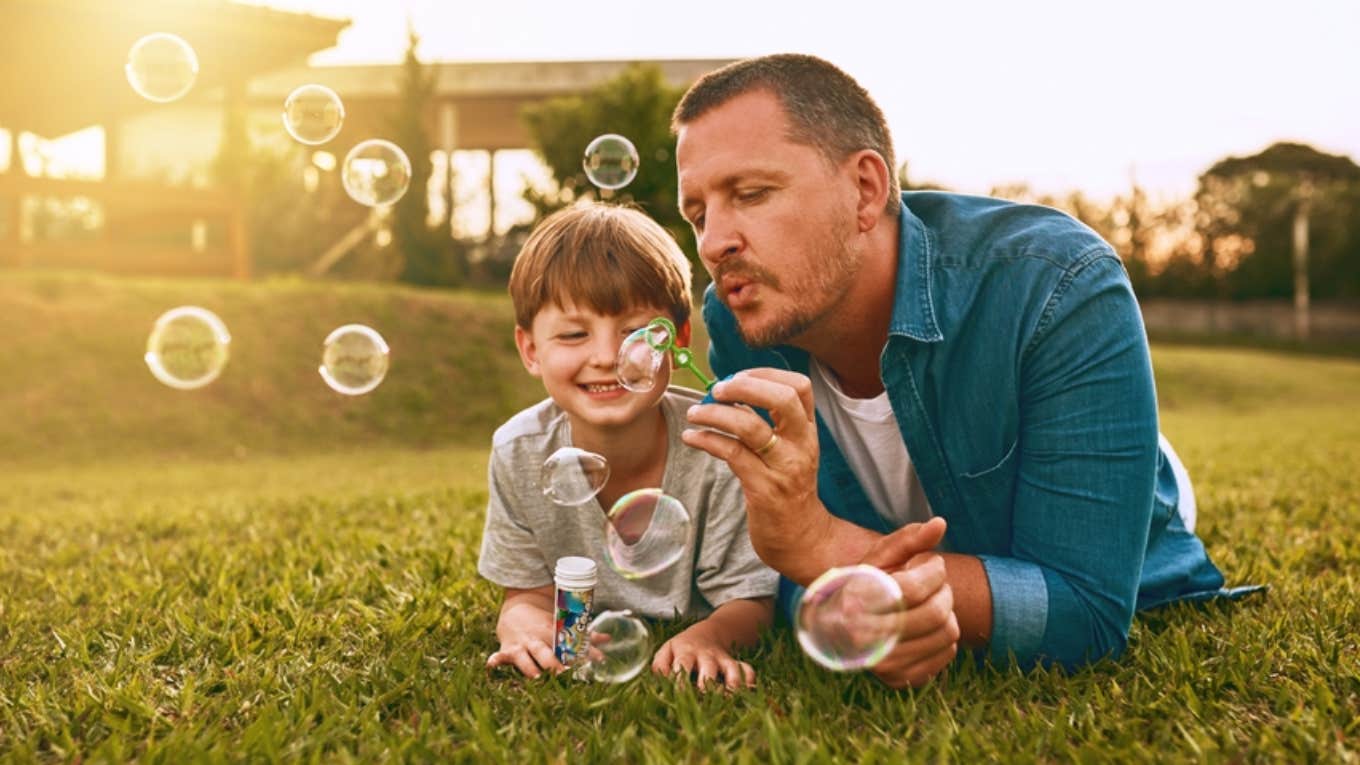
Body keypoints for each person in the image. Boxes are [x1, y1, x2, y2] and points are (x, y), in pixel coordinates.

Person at [672, 53, 1258, 688]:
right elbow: (782, 561)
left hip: (1106, 471)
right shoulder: (737, 326)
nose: (712, 243)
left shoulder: (1054, 283)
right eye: (698, 215)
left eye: (751, 195)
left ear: (865, 189)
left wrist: (823, 549)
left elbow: (1087, 612)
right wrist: (857, 605)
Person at [478, 203, 778, 691]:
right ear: (531, 349)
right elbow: (527, 594)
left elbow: (751, 602)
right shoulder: (519, 450)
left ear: (678, 338)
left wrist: (712, 635)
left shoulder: (719, 446)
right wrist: (523, 625)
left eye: (635, 333)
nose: (605, 357)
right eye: (574, 334)